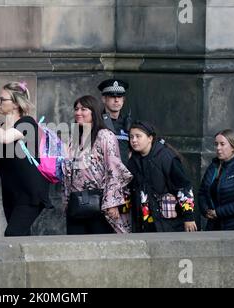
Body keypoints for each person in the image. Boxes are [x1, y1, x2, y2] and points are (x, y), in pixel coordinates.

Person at [0, 81, 50, 236]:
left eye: (2, 99)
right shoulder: (2, 126)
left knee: (12, 234)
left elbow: (5, 138)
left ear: (16, 103)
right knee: (21, 237)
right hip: (10, 192)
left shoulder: (27, 123)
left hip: (30, 192)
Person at [62, 95, 133, 234]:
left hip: (99, 202)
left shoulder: (105, 135)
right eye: (76, 109)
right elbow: (69, 172)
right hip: (76, 202)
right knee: (74, 246)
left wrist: (112, 203)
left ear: (94, 111)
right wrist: (67, 200)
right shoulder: (74, 137)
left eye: (83, 109)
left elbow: (114, 169)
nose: (78, 112)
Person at [127, 121, 197, 233]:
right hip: (144, 223)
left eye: (138, 136)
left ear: (150, 138)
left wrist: (188, 217)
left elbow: (183, 187)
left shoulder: (166, 157)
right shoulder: (132, 162)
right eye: (131, 137)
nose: (134, 140)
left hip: (169, 222)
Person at [97, 79, 133, 164]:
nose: (116, 100)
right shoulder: (96, 122)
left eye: (120, 96)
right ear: (104, 99)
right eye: (112, 96)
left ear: (123, 99)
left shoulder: (129, 123)